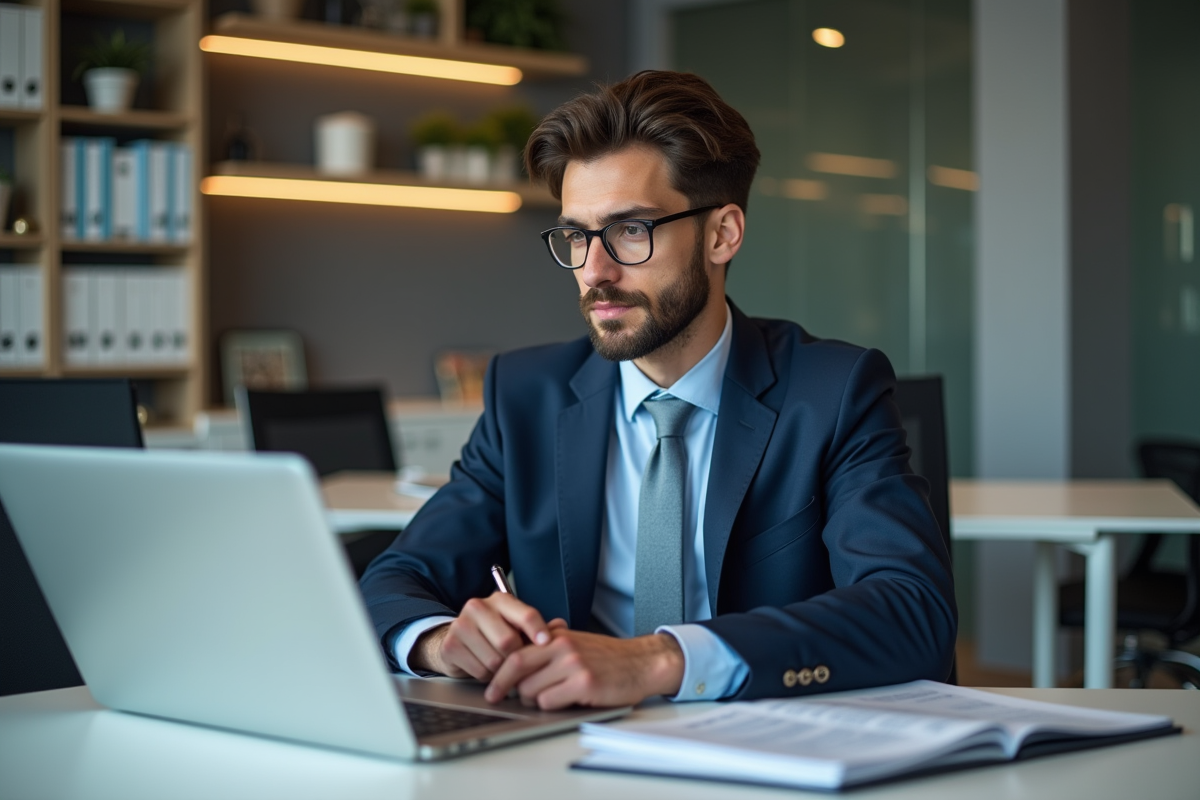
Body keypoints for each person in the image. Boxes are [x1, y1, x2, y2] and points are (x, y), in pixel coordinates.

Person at [360, 70, 956, 710]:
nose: (594, 271)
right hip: (564, 750)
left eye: (630, 231)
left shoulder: (833, 391)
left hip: (760, 745)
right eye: (576, 235)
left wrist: (658, 660)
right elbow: (395, 580)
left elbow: (911, 608)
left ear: (722, 234)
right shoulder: (525, 395)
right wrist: (440, 642)